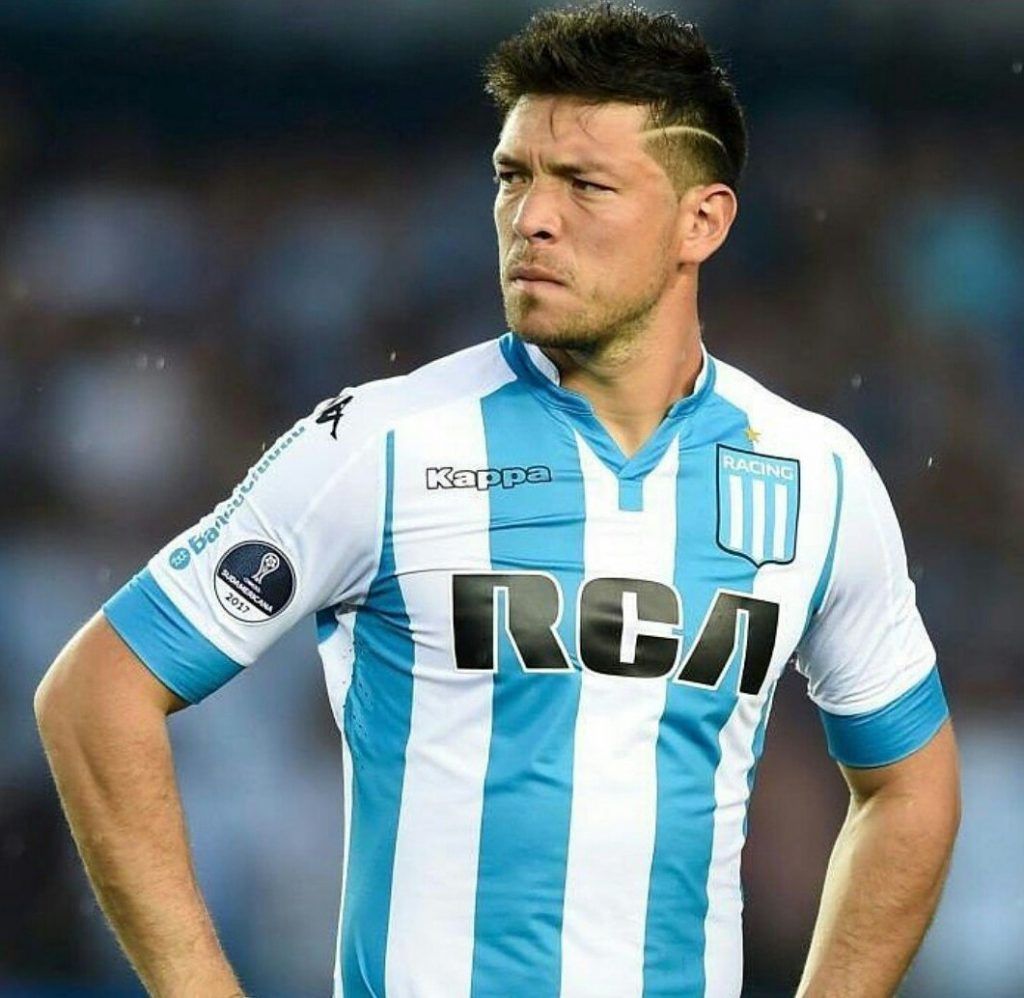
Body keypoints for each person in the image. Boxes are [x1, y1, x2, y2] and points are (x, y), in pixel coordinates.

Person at [34, 4, 960, 997]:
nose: (532, 218)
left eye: (585, 184)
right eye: (513, 176)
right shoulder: (381, 443)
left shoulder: (815, 472)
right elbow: (96, 693)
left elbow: (908, 784)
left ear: (703, 221)